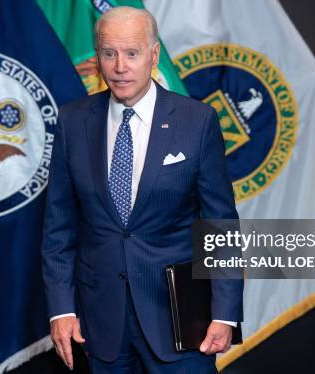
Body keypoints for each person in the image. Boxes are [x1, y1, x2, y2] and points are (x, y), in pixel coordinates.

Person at [41, 6, 243, 373]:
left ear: (154, 55)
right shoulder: (72, 123)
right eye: (109, 53)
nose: (120, 67)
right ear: (98, 56)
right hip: (100, 322)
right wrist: (62, 309)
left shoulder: (197, 122)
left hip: (183, 322)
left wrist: (226, 314)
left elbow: (221, 227)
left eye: (132, 53)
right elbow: (58, 229)